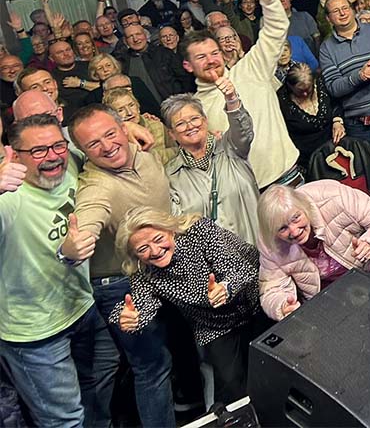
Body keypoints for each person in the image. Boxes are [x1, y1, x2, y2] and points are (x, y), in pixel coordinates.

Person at [0, 114, 119, 427]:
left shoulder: (71, 168)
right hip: (35, 333)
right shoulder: (8, 199)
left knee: (99, 391)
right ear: (14, 155)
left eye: (57, 146)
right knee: (63, 419)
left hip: (83, 308)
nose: (52, 155)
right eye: (38, 151)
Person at [63, 104, 176, 427]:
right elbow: (87, 218)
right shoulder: (98, 184)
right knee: (151, 367)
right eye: (93, 144)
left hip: (156, 269)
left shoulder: (143, 152)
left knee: (175, 353)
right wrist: (73, 247)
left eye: (110, 134)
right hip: (120, 286)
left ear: (124, 128)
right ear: (83, 152)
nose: (107, 146)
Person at [112, 207, 265, 405]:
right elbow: (141, 306)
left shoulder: (199, 232)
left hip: (255, 300)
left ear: (171, 230)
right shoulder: (142, 271)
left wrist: (225, 288)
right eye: (143, 249)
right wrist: (127, 317)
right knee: (232, 387)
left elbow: (240, 269)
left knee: (269, 369)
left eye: (158, 239)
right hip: (214, 326)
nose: (155, 251)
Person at [181, 0, 302, 190]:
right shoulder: (194, 107)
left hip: (287, 177)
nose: (211, 60)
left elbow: (277, 28)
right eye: (201, 57)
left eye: (214, 53)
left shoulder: (251, 68)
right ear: (187, 65)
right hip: (244, 193)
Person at [256, 180, 370, 320]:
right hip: (328, 304)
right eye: (283, 228)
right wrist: (282, 306)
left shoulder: (333, 197)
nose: (294, 231)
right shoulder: (269, 240)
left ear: (304, 208)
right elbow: (271, 287)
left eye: (296, 218)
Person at [318, 0, 370, 207]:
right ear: (329, 18)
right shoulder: (327, 48)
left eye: (345, 7)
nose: (342, 13)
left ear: (352, 9)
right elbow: (333, 87)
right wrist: (358, 77)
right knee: (369, 182)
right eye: (336, 11)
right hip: (358, 125)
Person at [162, 79, 259, 246]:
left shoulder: (232, 148)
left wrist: (231, 98)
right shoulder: (170, 176)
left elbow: (244, 130)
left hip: (259, 252)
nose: (189, 126)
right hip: (214, 265)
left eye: (194, 118)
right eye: (180, 124)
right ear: (171, 134)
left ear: (205, 120)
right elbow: (178, 226)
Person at [278, 63, 345, 168]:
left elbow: (336, 103)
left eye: (308, 89)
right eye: (300, 91)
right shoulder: (281, 100)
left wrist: (337, 121)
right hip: (308, 160)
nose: (305, 94)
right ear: (290, 85)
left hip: (335, 148)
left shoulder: (321, 84)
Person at [115, 18, 194, 102]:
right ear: (125, 41)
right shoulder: (124, 61)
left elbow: (184, 80)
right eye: (130, 36)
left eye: (138, 34)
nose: (135, 39)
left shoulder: (164, 53)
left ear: (145, 35)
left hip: (173, 105)